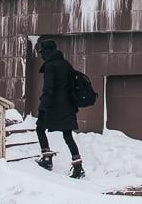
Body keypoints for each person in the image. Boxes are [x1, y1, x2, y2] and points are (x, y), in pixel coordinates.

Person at [35, 39, 84, 178]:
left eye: (42, 52)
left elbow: (48, 89)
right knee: (67, 135)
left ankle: (46, 158)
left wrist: (43, 106)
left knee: (40, 128)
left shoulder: (50, 66)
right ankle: (77, 165)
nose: (41, 55)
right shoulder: (66, 64)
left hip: (53, 107)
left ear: (47, 51)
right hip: (68, 106)